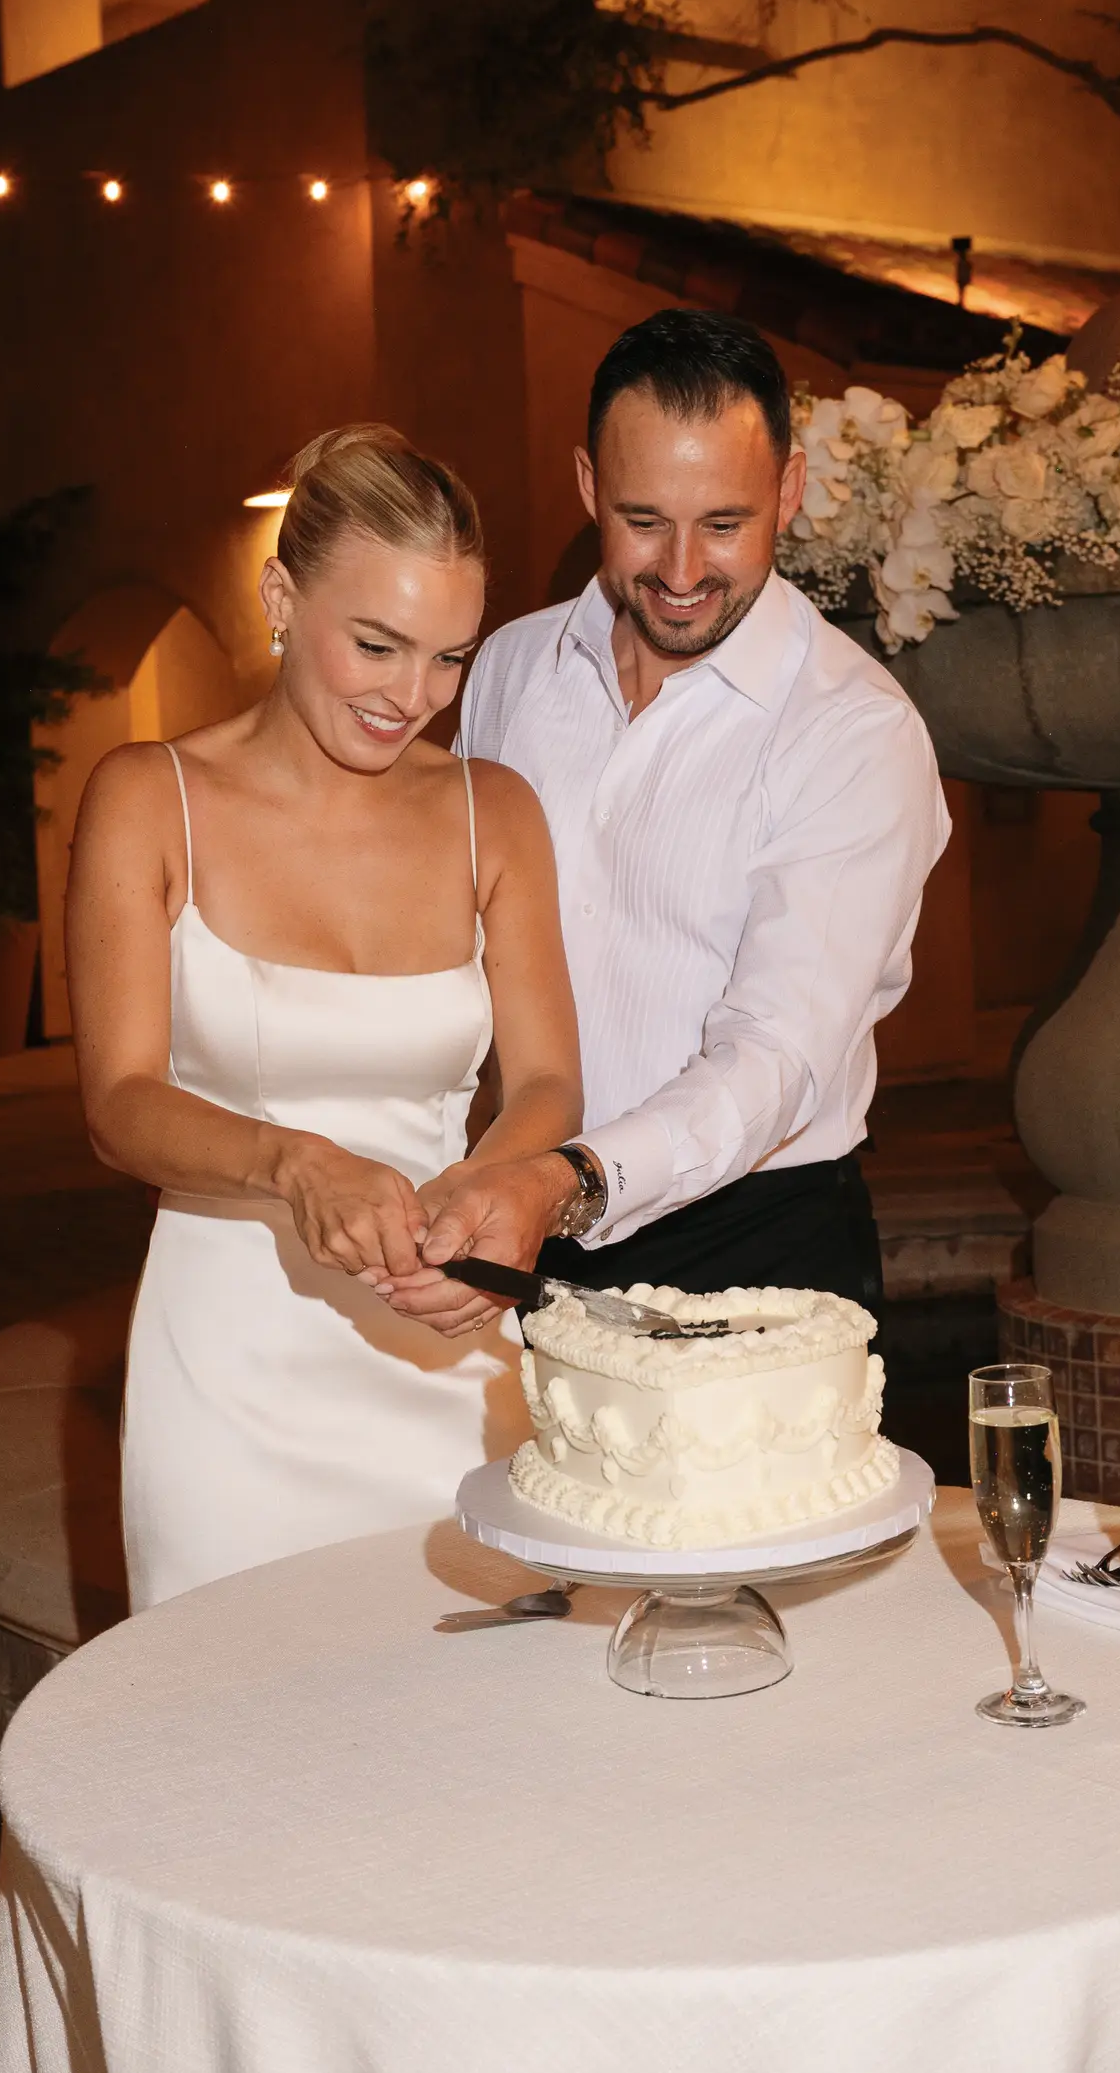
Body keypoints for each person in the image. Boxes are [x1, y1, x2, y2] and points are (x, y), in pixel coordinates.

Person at [66, 426, 580, 1610]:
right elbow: (119, 1103)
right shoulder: (151, 799)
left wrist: (487, 1206)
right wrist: (292, 1162)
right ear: (282, 596)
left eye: (450, 657)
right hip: (234, 1365)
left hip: (451, 1335)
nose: (414, 697)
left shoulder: (492, 811)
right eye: (377, 644)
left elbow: (548, 1081)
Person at [387, 308, 950, 1321]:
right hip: (509, 1221)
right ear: (588, 486)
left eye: (725, 524)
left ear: (790, 491)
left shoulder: (855, 732)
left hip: (755, 1243)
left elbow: (777, 1054)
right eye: (643, 520)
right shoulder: (511, 666)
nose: (683, 571)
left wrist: (564, 1178)